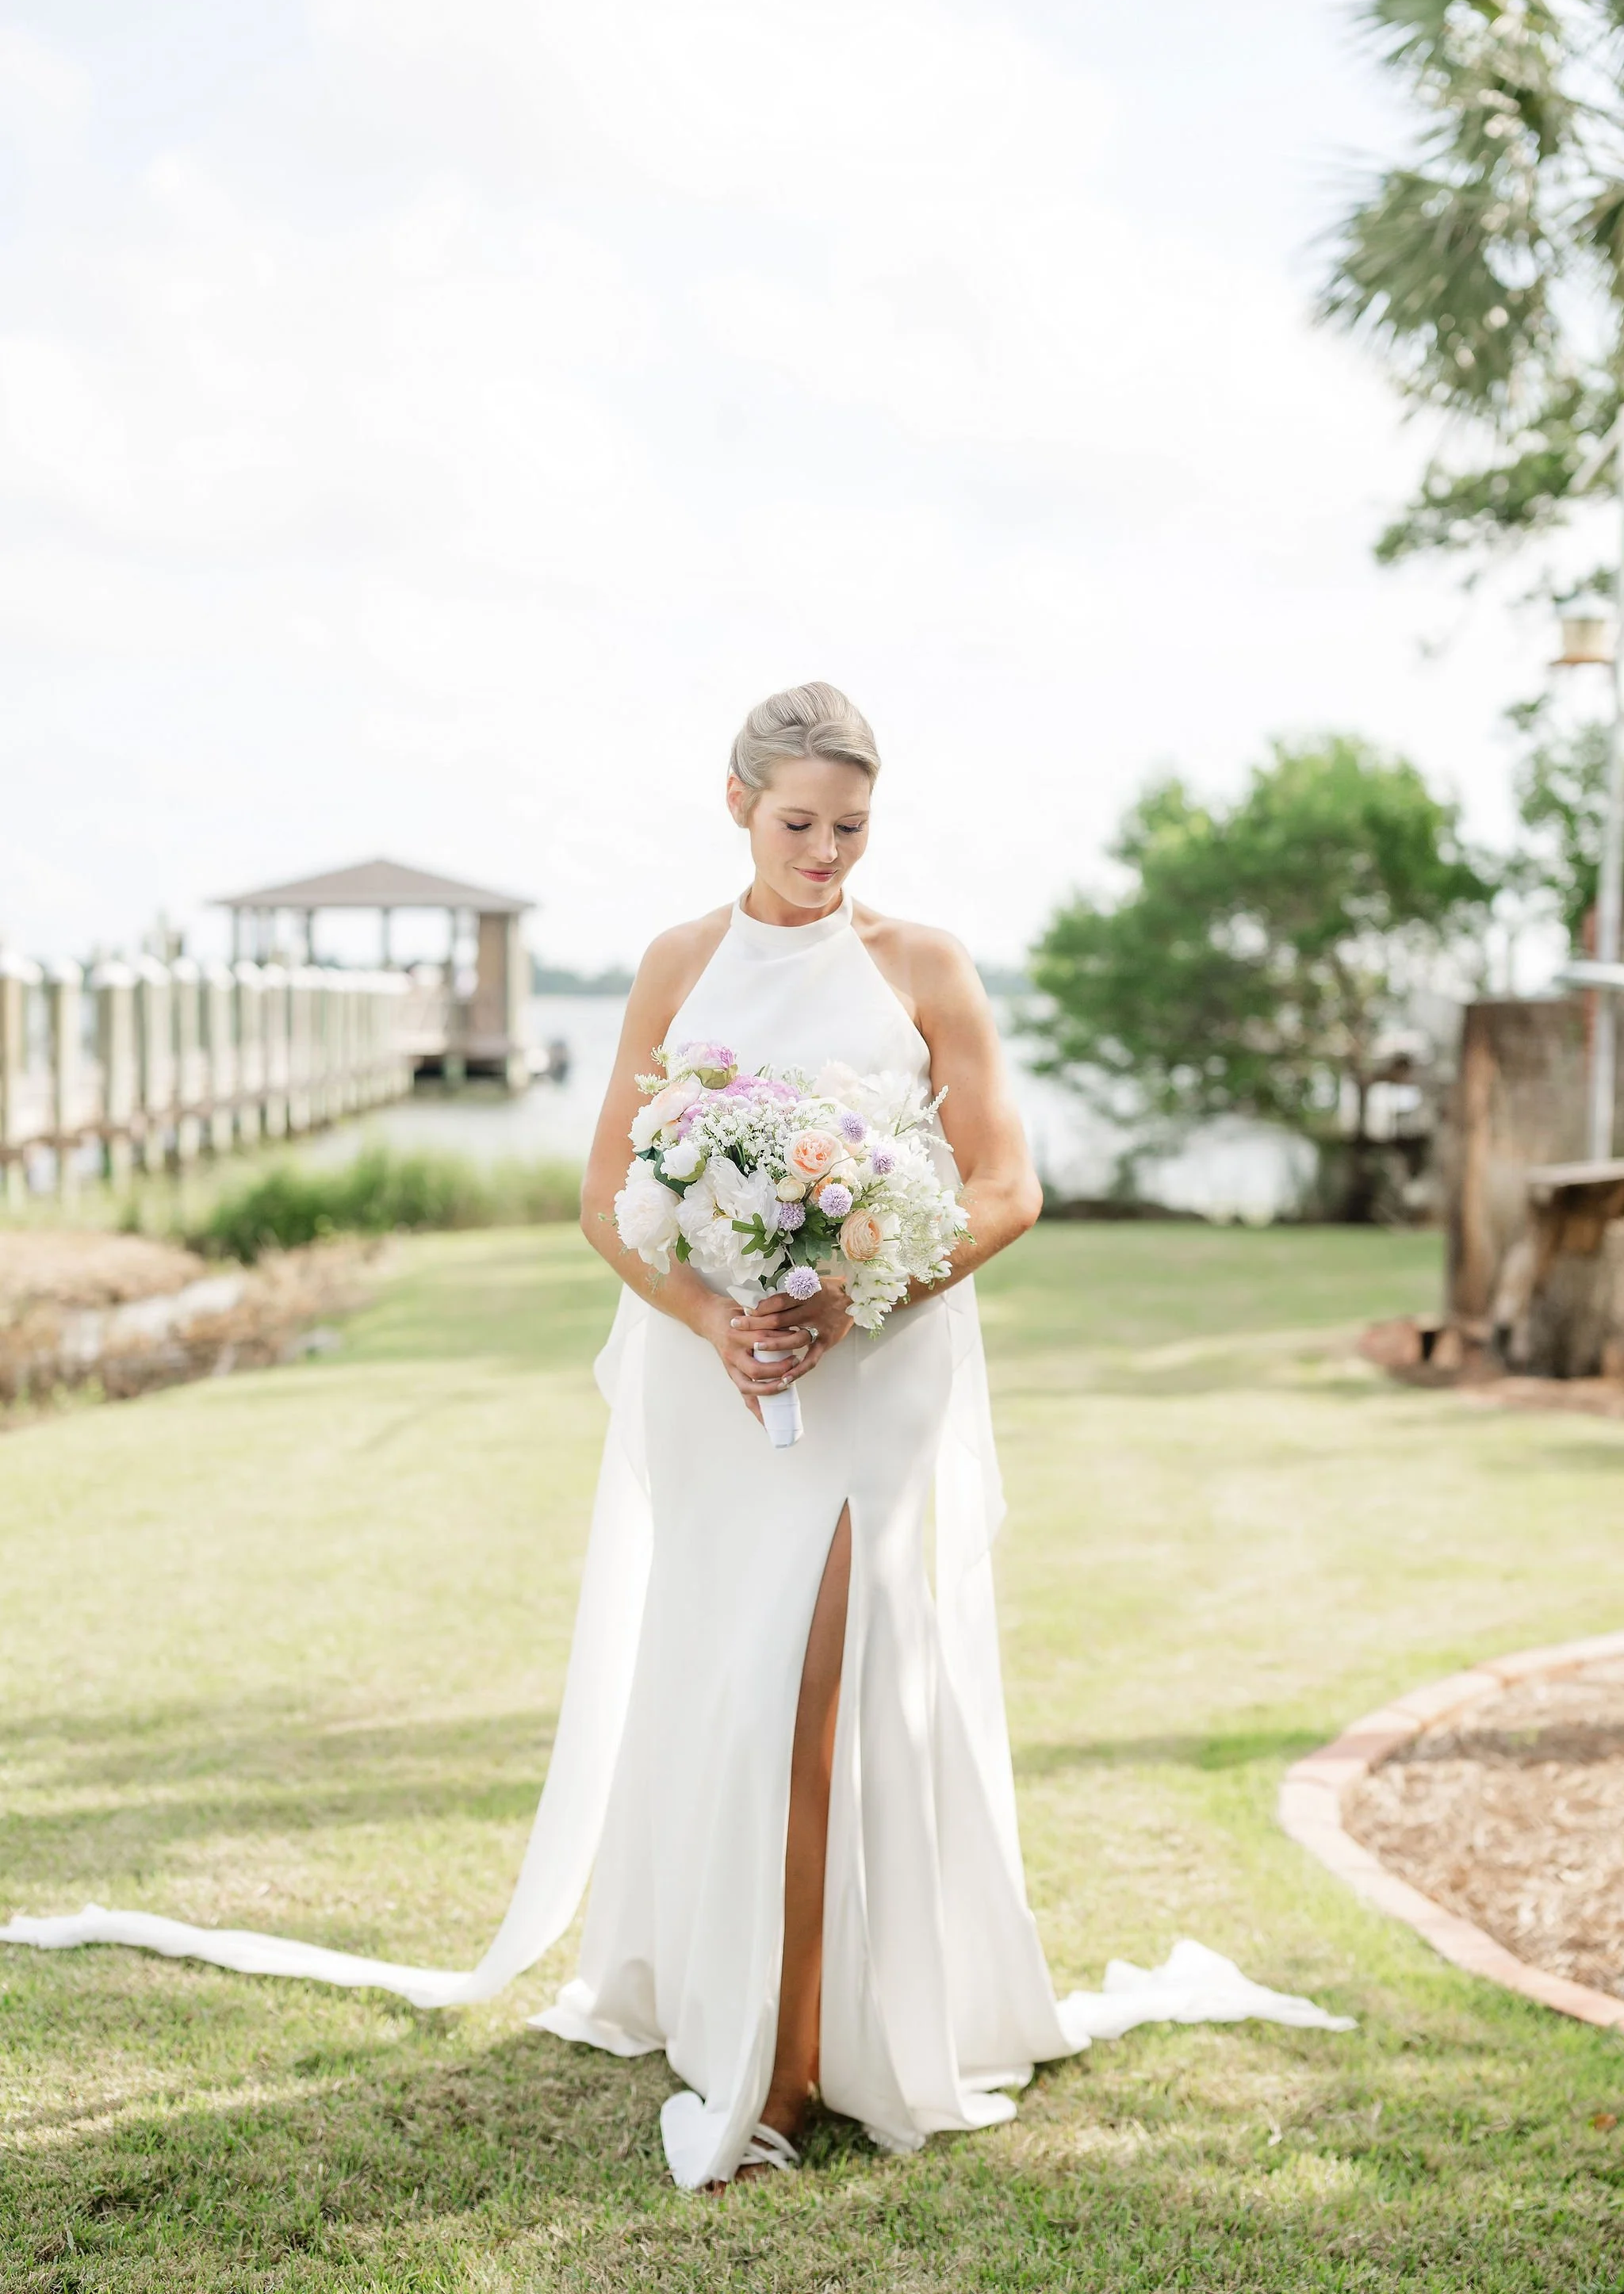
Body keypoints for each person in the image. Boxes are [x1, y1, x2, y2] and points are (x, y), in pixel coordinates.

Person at [2, 682, 1352, 2190]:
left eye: (851, 827)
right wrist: (715, 1318)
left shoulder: (925, 967)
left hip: (873, 1379)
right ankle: (742, 1993)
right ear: (735, 805)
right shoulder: (674, 967)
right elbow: (604, 1199)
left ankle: (789, 2064)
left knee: (823, 1684)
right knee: (731, 1679)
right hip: (716, 1390)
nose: (826, 853)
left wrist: (851, 1291)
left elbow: (1007, 1187)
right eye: (798, 824)